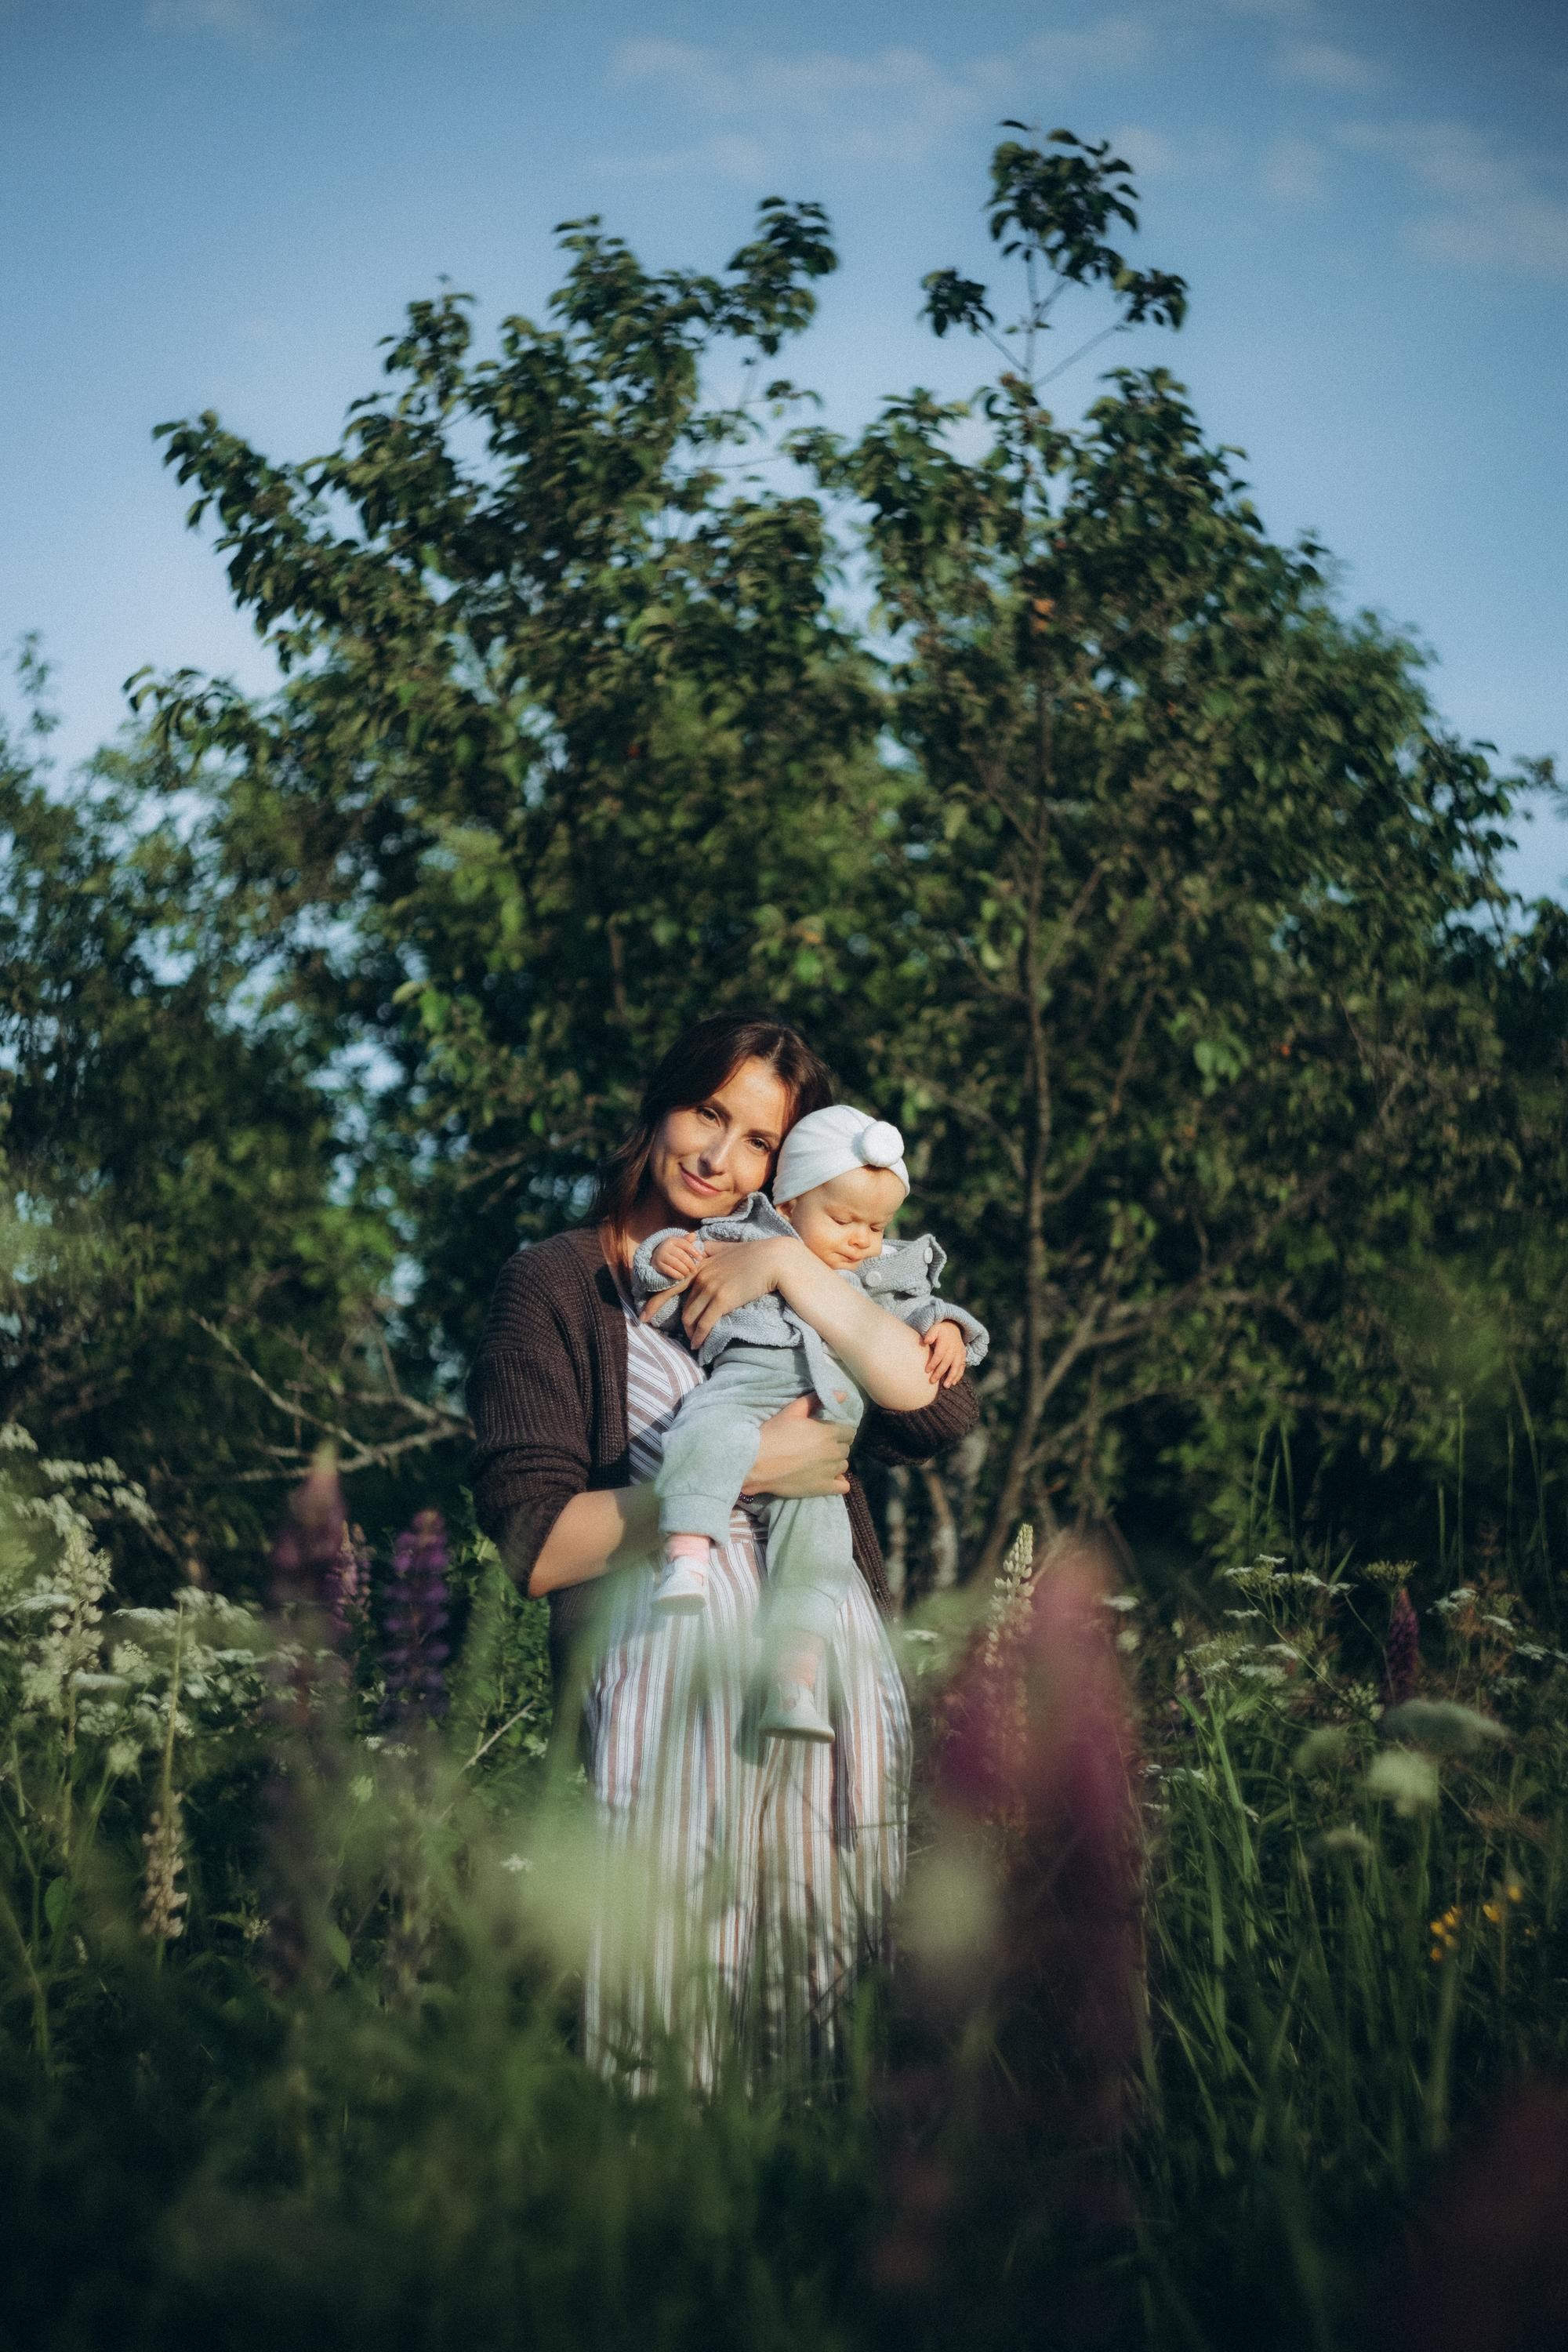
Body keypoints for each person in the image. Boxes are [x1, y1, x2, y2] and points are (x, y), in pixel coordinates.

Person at [466, 1015, 979, 2085]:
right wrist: (755, 1466)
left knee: (825, 2007)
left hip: (828, 1680)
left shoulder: (808, 1265)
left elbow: (937, 1416)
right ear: (661, 1107)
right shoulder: (558, 1285)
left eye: (758, 1140)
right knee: (669, 2010)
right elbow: (535, 1545)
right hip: (665, 1685)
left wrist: (792, 1270)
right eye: (709, 1114)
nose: (719, 1157)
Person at [631, 1102, 988, 1743]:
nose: (860, 1238)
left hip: (823, 1434)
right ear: (789, 1206)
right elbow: (669, 1262)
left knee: (822, 1547)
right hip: (745, 1388)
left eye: (876, 1226)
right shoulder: (750, 1236)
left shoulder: (881, 1278)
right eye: (844, 1218)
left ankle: (793, 1683)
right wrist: (668, 1261)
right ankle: (686, 1553)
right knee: (703, 1432)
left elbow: (933, 1329)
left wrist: (952, 1331)